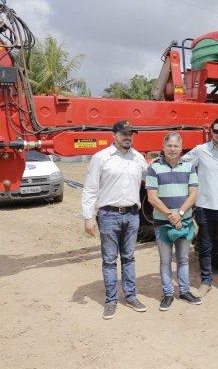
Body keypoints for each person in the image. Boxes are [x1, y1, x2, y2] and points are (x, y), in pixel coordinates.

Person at [82, 120, 149, 320]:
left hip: (132, 215)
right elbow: (90, 188)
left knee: (129, 257)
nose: (128, 137)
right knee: (110, 260)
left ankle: (130, 297)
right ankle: (111, 300)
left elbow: (152, 178)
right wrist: (88, 217)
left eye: (131, 134)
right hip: (108, 215)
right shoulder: (101, 158)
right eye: (124, 134)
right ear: (114, 135)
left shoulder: (138, 158)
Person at [182, 118, 218, 298]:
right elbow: (182, 163)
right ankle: (205, 282)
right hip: (205, 207)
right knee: (205, 246)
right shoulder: (200, 151)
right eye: (216, 131)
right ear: (211, 132)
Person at [146, 132, 201, 311]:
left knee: (183, 259)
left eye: (176, 146)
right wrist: (172, 215)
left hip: (184, 222)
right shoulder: (154, 168)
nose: (172, 149)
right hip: (163, 223)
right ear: (163, 147)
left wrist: (181, 212)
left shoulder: (189, 167)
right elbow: (152, 198)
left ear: (181, 147)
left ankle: (184, 291)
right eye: (169, 146)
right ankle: (168, 293)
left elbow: (193, 193)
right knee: (165, 260)